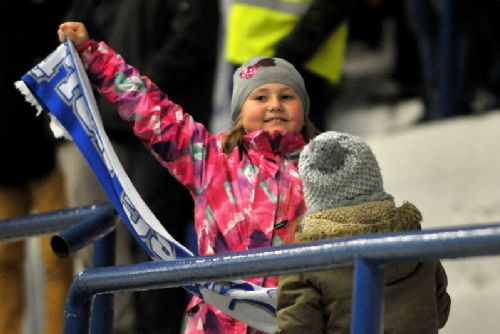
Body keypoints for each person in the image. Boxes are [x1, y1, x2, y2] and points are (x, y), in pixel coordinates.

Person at [58, 21, 319, 333]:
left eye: (287, 96)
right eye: (260, 97)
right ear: (239, 112)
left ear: (303, 109)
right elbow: (153, 110)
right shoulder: (210, 160)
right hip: (216, 325)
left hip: (295, 322)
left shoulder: (324, 167)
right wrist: (93, 55)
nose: (275, 105)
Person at [59, 1, 220, 333]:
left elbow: (194, 40)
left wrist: (140, 86)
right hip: (119, 124)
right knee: (128, 240)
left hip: (168, 130)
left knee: (157, 239)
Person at [276, 131, 451, 333]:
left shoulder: (306, 257)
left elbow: (297, 327)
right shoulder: (412, 235)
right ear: (373, 174)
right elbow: (441, 310)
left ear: (312, 190)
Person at [0, 1, 72, 333]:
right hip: (6, 160)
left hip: (48, 152)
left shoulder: (51, 11)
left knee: (56, 256)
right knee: (4, 259)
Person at [224, 0, 354, 131]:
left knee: (300, 144)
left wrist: (292, 50)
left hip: (301, 61)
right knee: (249, 142)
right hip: (247, 53)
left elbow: (333, 6)